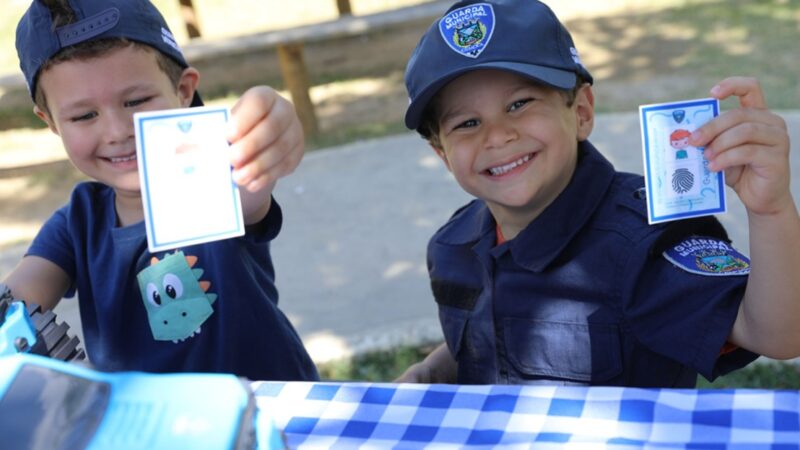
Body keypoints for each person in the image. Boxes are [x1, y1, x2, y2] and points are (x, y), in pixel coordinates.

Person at [397, 0, 800, 386]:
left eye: (519, 103)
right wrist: (430, 372)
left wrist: (770, 212)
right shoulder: (453, 245)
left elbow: (778, 335)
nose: (498, 135)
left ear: (582, 113)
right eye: (467, 123)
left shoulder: (644, 245)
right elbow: (488, 336)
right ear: (443, 154)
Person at [3, 0, 319, 381]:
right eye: (84, 116)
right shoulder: (76, 222)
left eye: (136, 101)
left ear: (184, 90)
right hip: (147, 427)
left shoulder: (213, 181)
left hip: (265, 412)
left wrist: (267, 124)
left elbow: (250, 188)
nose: (118, 132)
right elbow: (16, 302)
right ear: (51, 123)